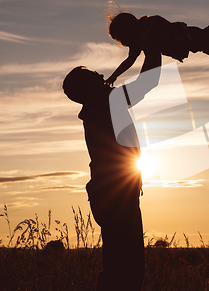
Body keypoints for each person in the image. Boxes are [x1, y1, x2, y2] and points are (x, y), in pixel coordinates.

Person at [62, 54, 161, 290]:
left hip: (105, 192)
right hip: (117, 193)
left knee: (118, 266)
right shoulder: (109, 99)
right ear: (87, 87)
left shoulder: (97, 106)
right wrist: (153, 46)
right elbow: (149, 81)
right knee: (128, 270)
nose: (101, 75)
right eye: (93, 75)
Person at [105, 11, 209, 85]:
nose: (125, 43)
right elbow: (130, 60)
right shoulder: (140, 41)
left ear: (129, 29)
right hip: (191, 42)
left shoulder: (150, 25)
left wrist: (142, 80)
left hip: (190, 37)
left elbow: (152, 53)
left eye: (123, 39)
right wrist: (113, 76)